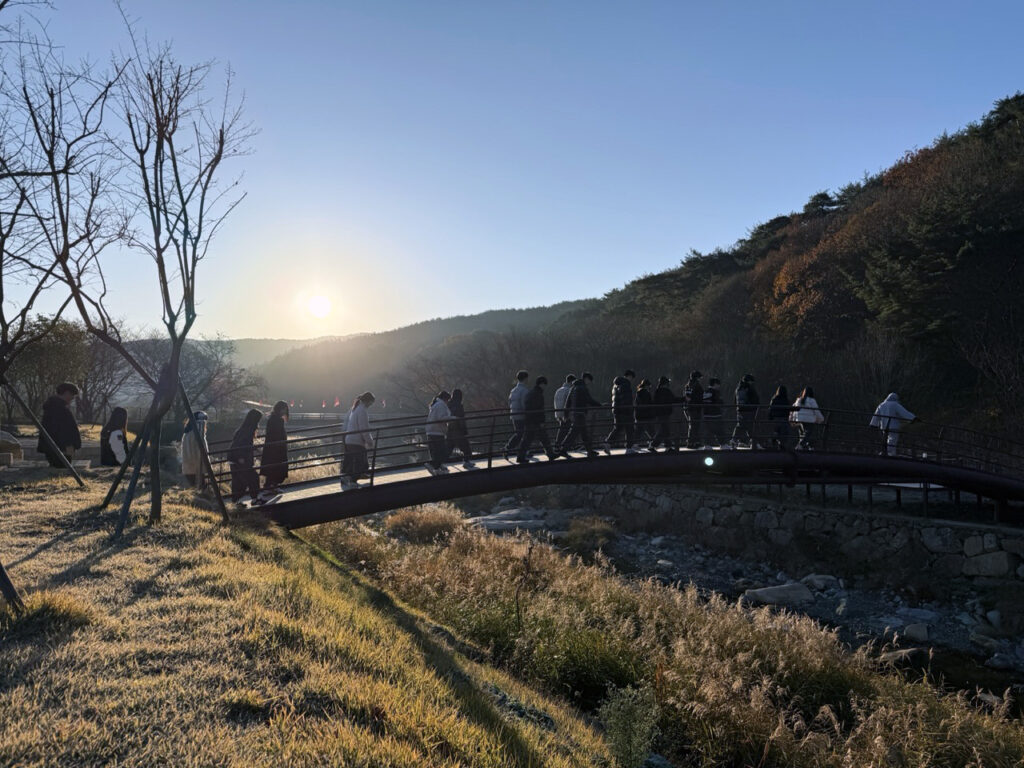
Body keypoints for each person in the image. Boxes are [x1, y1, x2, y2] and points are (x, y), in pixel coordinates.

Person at [38, 382, 82, 468]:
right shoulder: (59, 409)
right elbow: (62, 430)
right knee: (62, 468)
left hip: (56, 447)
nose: (73, 398)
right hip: (61, 447)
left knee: (60, 468)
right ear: (66, 393)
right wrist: (69, 446)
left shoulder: (53, 407)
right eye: (72, 395)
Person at [558, 372, 601, 458]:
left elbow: (568, 402)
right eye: (589, 380)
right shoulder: (583, 388)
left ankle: (589, 451)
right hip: (580, 413)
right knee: (573, 433)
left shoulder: (573, 387)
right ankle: (563, 450)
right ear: (586, 379)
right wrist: (599, 405)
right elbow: (589, 400)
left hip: (575, 413)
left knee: (583, 433)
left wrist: (566, 414)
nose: (589, 382)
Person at [517, 376, 557, 463]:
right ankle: (550, 454)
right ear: (542, 384)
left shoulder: (531, 392)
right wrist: (542, 421)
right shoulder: (538, 394)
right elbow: (539, 409)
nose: (545, 387)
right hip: (535, 421)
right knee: (542, 437)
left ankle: (520, 457)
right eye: (545, 384)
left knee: (528, 439)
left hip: (529, 419)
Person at [342, 392, 375, 489]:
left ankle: (346, 477)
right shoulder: (362, 410)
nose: (371, 405)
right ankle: (353, 479)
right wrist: (370, 441)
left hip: (349, 439)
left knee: (351, 460)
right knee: (361, 461)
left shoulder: (355, 408)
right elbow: (364, 428)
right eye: (371, 403)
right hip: (356, 441)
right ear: (368, 401)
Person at [228, 409, 262, 503]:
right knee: (253, 477)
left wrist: (254, 448)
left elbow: (241, 444)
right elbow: (241, 445)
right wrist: (241, 458)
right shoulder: (248, 430)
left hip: (235, 458)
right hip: (240, 459)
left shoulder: (243, 429)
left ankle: (236, 501)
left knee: (239, 481)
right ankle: (254, 499)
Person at [870, 392, 916, 457]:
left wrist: (873, 424)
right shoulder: (895, 405)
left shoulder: (881, 405)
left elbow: (876, 416)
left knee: (886, 440)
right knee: (893, 441)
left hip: (884, 426)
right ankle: (889, 453)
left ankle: (889, 453)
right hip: (894, 427)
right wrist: (913, 418)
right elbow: (904, 413)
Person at [260, 401, 290, 496]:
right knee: (277, 467)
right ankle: (271, 487)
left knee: (273, 468)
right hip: (277, 449)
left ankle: (271, 487)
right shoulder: (277, 420)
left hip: (272, 448)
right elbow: (277, 435)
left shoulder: (273, 418)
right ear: (280, 408)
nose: (285, 410)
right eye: (284, 408)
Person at [603, 369, 637, 454]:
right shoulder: (626, 384)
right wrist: (630, 409)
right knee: (629, 429)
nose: (632, 380)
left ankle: (607, 443)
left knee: (618, 428)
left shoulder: (616, 385)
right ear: (629, 376)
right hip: (625, 411)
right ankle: (629, 448)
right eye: (632, 377)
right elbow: (627, 399)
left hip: (617, 411)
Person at [503, 370, 530, 460]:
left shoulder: (513, 390)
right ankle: (508, 448)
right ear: (525, 378)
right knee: (522, 434)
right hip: (521, 415)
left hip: (513, 414)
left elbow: (509, 402)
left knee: (519, 433)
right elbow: (524, 404)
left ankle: (512, 449)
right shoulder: (525, 390)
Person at [425, 391, 453, 474]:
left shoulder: (436, 404)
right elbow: (441, 418)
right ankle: (432, 465)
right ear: (445, 399)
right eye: (448, 400)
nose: (448, 402)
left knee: (435, 451)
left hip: (431, 430)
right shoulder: (441, 405)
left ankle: (438, 466)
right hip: (437, 431)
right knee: (441, 451)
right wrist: (452, 418)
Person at [446, 388, 474, 468]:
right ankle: (466, 462)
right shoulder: (459, 405)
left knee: (448, 448)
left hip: (450, 428)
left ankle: (436, 463)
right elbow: (461, 418)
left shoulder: (448, 404)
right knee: (466, 447)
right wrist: (464, 430)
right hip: (458, 429)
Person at [730, 374, 760, 448]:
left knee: (741, 425)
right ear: (749, 381)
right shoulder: (749, 388)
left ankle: (735, 440)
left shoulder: (738, 388)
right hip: (749, 410)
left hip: (740, 409)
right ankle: (753, 443)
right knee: (749, 426)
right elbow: (755, 399)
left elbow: (735, 400)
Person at [180, 410, 209, 485]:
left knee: (193, 484)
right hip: (196, 463)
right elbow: (198, 449)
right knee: (200, 484)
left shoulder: (187, 433)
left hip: (190, 464)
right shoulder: (196, 433)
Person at [650, 376, 677, 452]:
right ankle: (653, 445)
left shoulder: (657, 391)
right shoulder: (666, 391)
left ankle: (668, 446)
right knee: (663, 430)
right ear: (666, 383)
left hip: (659, 413)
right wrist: (684, 399)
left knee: (665, 429)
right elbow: (673, 399)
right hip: (665, 413)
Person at [553, 374, 576, 451]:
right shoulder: (569, 390)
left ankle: (559, 445)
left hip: (558, 412)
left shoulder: (559, 390)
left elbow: (555, 402)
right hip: (566, 413)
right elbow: (569, 404)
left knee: (562, 429)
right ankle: (562, 446)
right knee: (566, 430)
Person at [683, 371, 704, 448]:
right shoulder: (695, 385)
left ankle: (695, 441)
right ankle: (691, 442)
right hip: (694, 408)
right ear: (697, 377)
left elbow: (687, 397)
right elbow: (697, 397)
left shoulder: (688, 385)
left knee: (694, 425)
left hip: (689, 407)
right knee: (694, 425)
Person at [767, 386, 792, 450]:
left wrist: (770, 416)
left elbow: (771, 408)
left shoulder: (774, 399)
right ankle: (782, 445)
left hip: (776, 418)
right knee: (784, 433)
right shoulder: (786, 399)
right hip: (784, 418)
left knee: (776, 431)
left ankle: (773, 440)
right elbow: (788, 409)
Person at [703, 377, 724, 446]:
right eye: (718, 384)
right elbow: (720, 402)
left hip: (706, 414)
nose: (719, 386)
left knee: (708, 431)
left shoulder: (705, 391)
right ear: (715, 384)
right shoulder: (716, 392)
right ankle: (723, 444)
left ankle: (707, 445)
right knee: (719, 430)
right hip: (715, 414)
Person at [635, 379, 655, 444]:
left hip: (639, 414)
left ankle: (634, 443)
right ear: (646, 385)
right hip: (645, 415)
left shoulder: (639, 392)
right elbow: (647, 403)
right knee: (650, 429)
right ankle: (654, 442)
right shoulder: (645, 393)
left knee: (640, 430)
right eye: (649, 386)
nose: (649, 387)